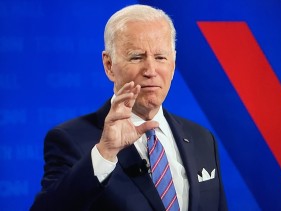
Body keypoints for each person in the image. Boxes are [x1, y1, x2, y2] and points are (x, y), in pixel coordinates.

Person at [31, 4, 227, 211]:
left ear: (173, 63)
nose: (151, 70)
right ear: (109, 65)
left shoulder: (202, 138)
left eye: (160, 57)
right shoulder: (71, 140)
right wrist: (105, 153)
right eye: (136, 57)